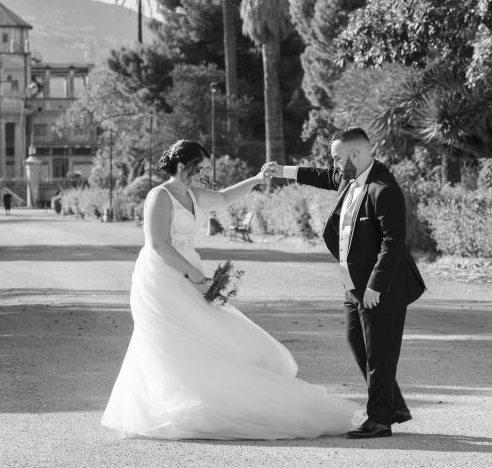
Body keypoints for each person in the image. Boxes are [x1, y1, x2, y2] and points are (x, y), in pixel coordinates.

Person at [101, 140, 359, 440]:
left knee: (215, 333)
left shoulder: (192, 195)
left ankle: (201, 399)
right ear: (182, 167)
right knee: (171, 339)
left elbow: (223, 199)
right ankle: (170, 404)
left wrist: (256, 179)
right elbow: (158, 244)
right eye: (199, 169)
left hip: (191, 272)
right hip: (161, 278)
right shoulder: (159, 196)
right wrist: (196, 275)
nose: (202, 175)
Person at [266, 127, 426, 439]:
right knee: (359, 345)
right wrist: (281, 170)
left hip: (382, 288)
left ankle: (379, 420)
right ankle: (392, 407)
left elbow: (393, 243)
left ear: (356, 154)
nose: (335, 165)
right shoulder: (349, 176)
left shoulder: (384, 188)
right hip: (352, 284)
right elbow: (322, 175)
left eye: (338, 158)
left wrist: (375, 287)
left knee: (380, 355)